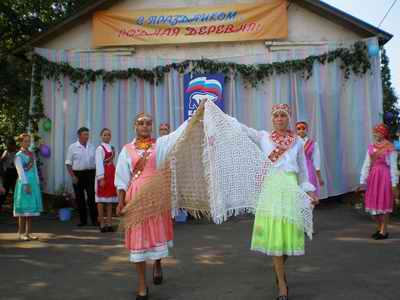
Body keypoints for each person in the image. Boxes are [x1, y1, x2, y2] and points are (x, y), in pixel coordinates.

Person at [235, 104, 318, 300]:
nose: (279, 119)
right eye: (276, 116)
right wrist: (216, 112)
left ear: (288, 118)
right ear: (272, 119)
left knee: (289, 234)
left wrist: (308, 190)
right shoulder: (263, 137)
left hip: (290, 186)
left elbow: (303, 169)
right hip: (271, 188)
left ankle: (278, 268)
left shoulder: (297, 141)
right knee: (276, 238)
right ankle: (282, 283)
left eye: (283, 115)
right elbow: (241, 128)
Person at [115, 113, 187, 300]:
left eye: (148, 123)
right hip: (136, 198)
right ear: (135, 126)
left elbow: (179, 134)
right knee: (138, 242)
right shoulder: (126, 149)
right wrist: (120, 201)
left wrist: (198, 113)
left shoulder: (160, 145)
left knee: (156, 236)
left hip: (156, 197)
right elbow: (121, 178)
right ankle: (142, 285)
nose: (145, 126)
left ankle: (157, 263)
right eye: (141, 123)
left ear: (151, 126)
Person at [359, 123, 398, 240]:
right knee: (373, 203)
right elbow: (366, 164)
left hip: (385, 177)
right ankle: (379, 228)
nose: (376, 134)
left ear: (384, 134)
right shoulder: (371, 147)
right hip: (373, 176)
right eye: (375, 132)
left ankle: (383, 231)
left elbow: (394, 167)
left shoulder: (390, 148)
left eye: (379, 132)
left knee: (384, 203)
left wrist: (394, 183)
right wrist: (362, 180)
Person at [65, 127, 98, 227]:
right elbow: (68, 163)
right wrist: (73, 176)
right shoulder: (72, 147)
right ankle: (83, 221)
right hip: (77, 175)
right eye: (85, 134)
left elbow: (96, 161)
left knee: (92, 197)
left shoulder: (92, 146)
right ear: (79, 135)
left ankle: (94, 220)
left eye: (87, 134)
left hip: (90, 174)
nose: (87, 136)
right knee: (80, 198)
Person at [13, 133, 43, 240]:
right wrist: (26, 184)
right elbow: (20, 171)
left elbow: (34, 169)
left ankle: (28, 233)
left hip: (33, 182)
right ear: (21, 142)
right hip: (24, 183)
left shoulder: (32, 154)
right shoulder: (18, 155)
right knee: (23, 209)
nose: (27, 143)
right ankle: (21, 233)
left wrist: (37, 182)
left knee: (31, 211)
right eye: (25, 141)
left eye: (28, 141)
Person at [95, 128, 118, 232]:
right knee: (101, 201)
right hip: (103, 175)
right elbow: (99, 163)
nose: (107, 137)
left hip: (111, 175)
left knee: (110, 201)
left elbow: (115, 162)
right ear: (101, 136)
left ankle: (109, 223)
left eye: (108, 135)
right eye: (105, 135)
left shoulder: (113, 148)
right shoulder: (99, 149)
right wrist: (101, 178)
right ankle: (102, 224)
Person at [296, 121, 324, 197]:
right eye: (298, 129)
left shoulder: (313, 143)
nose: (301, 130)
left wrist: (319, 177)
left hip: (309, 169)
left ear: (307, 130)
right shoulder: (293, 143)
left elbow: (316, 161)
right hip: (296, 169)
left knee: (310, 192)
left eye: (303, 128)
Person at [0, 138, 18, 212]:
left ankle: (16, 207)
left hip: (15, 172)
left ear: (13, 145)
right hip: (7, 173)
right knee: (4, 190)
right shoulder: (6, 152)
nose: (9, 147)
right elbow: (1, 161)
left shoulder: (17, 152)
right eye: (8, 145)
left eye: (10, 145)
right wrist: (3, 158)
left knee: (15, 190)